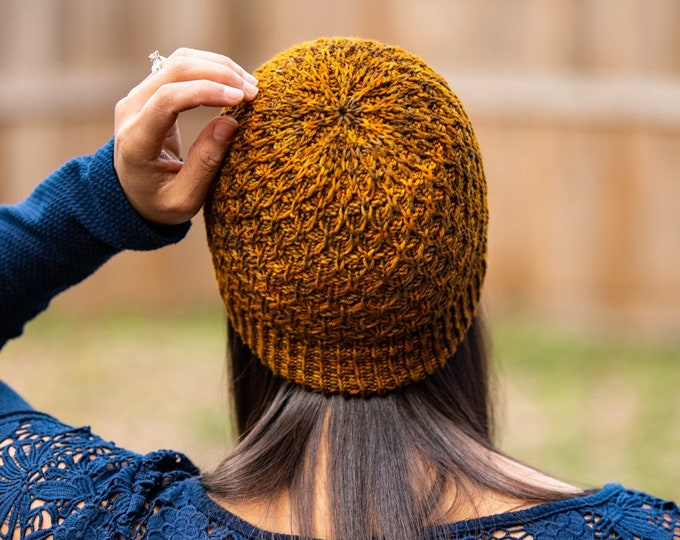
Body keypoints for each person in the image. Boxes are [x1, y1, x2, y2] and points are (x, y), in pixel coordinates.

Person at [0, 39, 677, 540]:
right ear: (459, 267)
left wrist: (107, 197)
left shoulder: (85, 515)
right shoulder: (642, 532)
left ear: (245, 286)